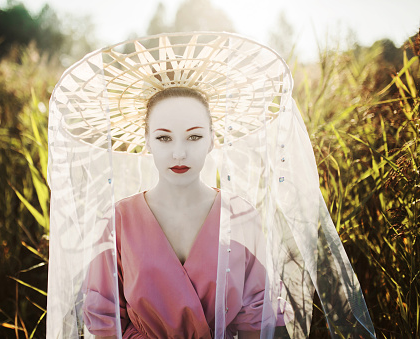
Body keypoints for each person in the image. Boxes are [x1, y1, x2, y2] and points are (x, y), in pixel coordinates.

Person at [46, 32, 376, 338]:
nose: (179, 152)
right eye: (163, 137)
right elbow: (104, 318)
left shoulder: (240, 215)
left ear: (212, 141)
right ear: (147, 143)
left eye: (194, 136)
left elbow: (259, 314)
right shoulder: (119, 220)